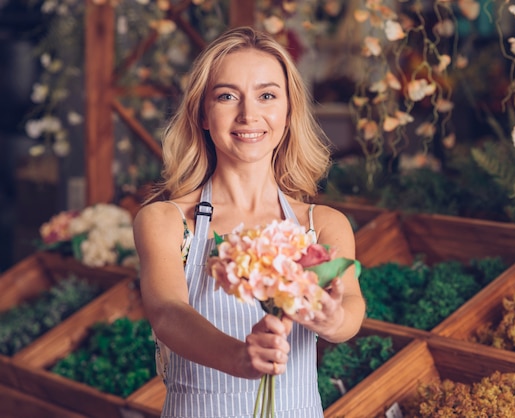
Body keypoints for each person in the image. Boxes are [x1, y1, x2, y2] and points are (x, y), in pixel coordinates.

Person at [133, 26, 366, 417]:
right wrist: (239, 358)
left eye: (267, 96)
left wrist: (332, 318)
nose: (248, 114)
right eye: (227, 96)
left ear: (289, 113)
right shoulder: (166, 220)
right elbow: (167, 312)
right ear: (204, 114)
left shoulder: (321, 224)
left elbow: (353, 307)